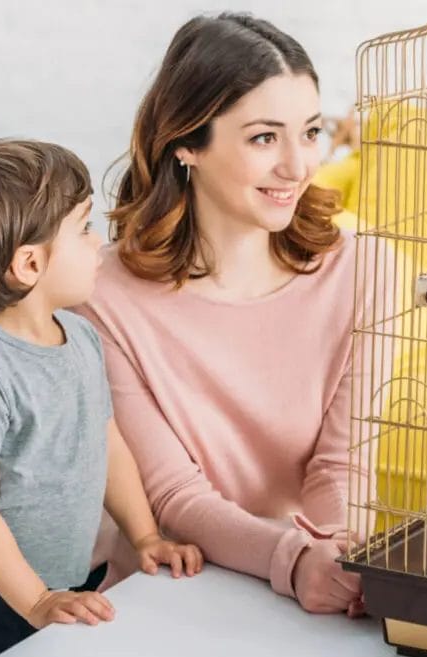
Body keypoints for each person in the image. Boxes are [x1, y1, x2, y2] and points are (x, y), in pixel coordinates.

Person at [78, 13, 394, 616]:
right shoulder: (102, 298)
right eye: (263, 138)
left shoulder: (367, 268)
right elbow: (172, 495)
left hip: (304, 586)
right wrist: (294, 560)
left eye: (309, 132)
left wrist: (339, 555)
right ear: (187, 144)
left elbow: (344, 461)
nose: (298, 167)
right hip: (166, 587)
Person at [0, 139, 203, 657]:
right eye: (84, 229)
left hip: (58, 582)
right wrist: (35, 601)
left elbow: (105, 442)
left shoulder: (80, 337)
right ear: (30, 263)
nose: (99, 245)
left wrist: (145, 536)